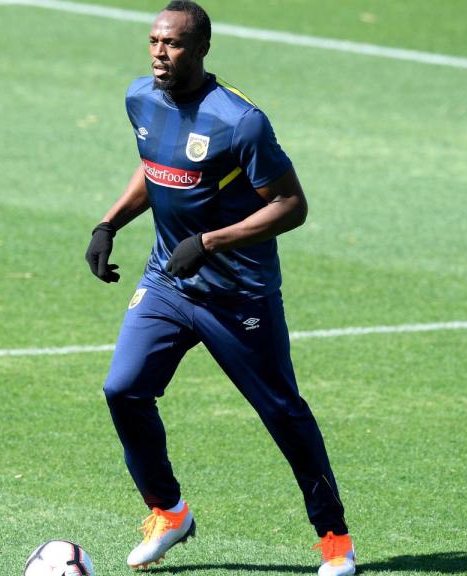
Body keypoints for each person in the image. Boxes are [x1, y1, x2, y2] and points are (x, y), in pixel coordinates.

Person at [84, 2, 356, 575]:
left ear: (202, 48)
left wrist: (211, 242)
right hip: (167, 280)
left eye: (174, 44)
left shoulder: (239, 121)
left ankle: (335, 541)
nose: (161, 52)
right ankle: (169, 511)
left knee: (281, 412)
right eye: (155, 41)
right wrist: (109, 223)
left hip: (238, 294)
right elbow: (155, 165)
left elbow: (291, 206)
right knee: (123, 389)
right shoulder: (139, 98)